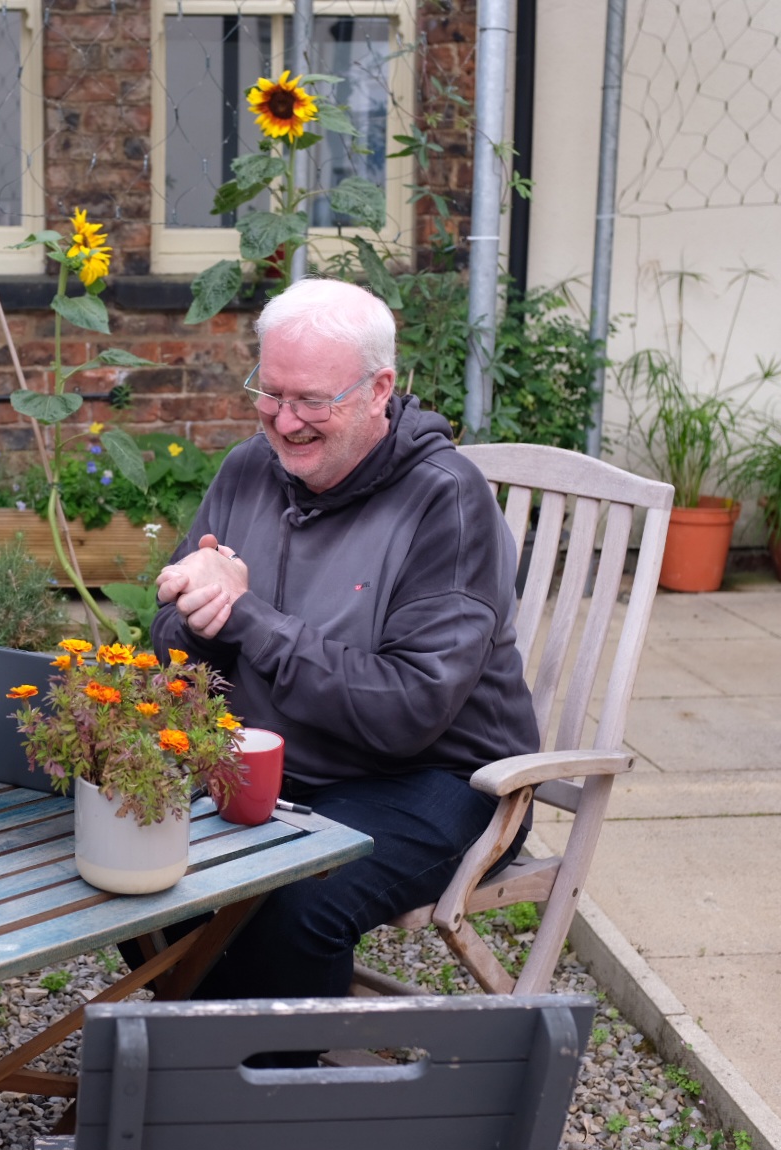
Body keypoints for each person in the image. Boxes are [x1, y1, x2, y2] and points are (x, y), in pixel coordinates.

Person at [151, 277, 541, 1001]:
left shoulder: (445, 502)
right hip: (287, 764)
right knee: (144, 856)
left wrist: (245, 616)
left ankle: (279, 1090)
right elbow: (169, 644)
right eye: (269, 393)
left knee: (295, 898)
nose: (283, 421)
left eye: (311, 401)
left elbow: (406, 713)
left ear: (377, 389)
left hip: (436, 779)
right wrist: (194, 605)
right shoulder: (246, 472)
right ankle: (202, 1058)